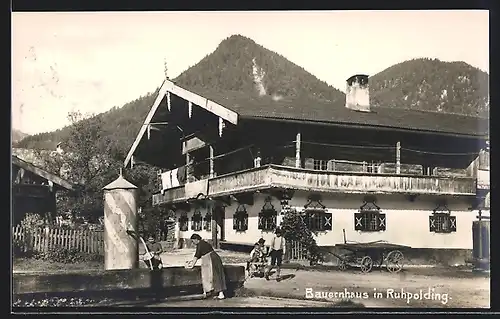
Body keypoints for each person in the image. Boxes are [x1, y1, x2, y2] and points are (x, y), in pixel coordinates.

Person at [185, 234, 227, 299]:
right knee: (215, 275)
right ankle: (219, 293)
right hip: (214, 258)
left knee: (215, 275)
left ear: (196, 239)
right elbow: (200, 254)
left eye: (193, 241)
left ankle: (220, 294)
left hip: (212, 260)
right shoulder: (203, 243)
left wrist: (191, 265)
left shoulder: (200, 245)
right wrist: (191, 261)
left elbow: (196, 255)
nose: (193, 243)